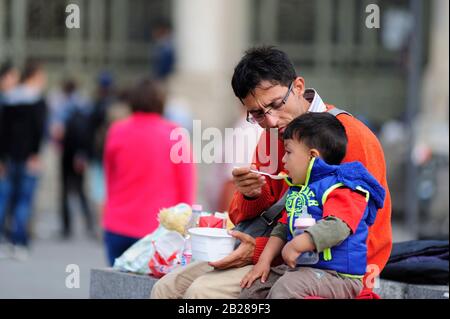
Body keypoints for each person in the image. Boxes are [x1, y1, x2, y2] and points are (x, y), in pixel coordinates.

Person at [151, 46, 392, 299]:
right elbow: (254, 217)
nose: (272, 121)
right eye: (256, 114)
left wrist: (259, 251)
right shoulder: (271, 137)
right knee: (166, 288)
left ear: (298, 87)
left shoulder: (348, 136)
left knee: (202, 293)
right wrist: (251, 195)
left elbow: (362, 231)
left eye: (276, 104)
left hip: (320, 269)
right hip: (270, 252)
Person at [240, 113, 385, 299]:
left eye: (288, 152)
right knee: (252, 289)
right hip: (305, 270)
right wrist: (263, 262)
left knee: (286, 288)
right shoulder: (298, 190)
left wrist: (297, 245)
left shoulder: (343, 188)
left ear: (312, 156)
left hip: (339, 277)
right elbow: (282, 228)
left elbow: (337, 226)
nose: (283, 160)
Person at [102, 78, 196, 266]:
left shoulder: (116, 130)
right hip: (159, 230)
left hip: (117, 223)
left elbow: (110, 178)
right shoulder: (175, 134)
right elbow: (186, 187)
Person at [0, 60, 47, 260]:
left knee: (5, 200)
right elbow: (39, 131)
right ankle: (19, 242)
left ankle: (3, 241)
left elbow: (3, 131)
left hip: (10, 158)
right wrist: (35, 154)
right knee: (24, 201)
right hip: (28, 159)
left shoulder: (9, 99)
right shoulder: (37, 101)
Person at [51, 79, 94, 239]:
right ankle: (88, 223)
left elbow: (56, 132)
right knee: (81, 191)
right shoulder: (83, 106)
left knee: (65, 190)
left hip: (67, 153)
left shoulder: (62, 107)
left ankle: (66, 226)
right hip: (78, 154)